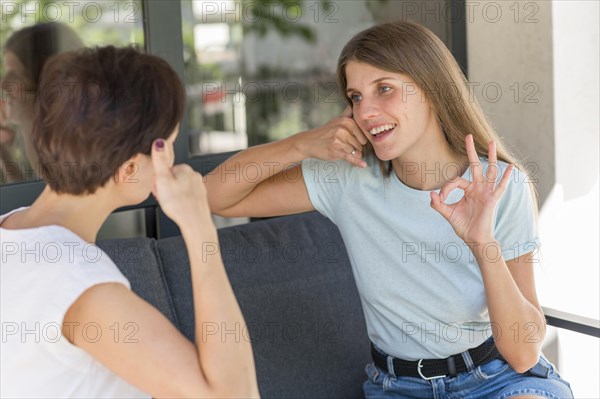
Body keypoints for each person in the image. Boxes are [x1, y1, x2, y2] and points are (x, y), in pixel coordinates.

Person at [205, 21, 573, 398]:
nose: (366, 111)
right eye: (356, 97)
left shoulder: (500, 187)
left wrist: (482, 242)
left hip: (497, 379)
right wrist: (300, 145)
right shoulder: (347, 178)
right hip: (399, 387)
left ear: (431, 88)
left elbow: (524, 352)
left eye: (384, 89)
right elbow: (216, 197)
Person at [0, 46, 259, 398]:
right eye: (165, 145)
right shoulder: (78, 285)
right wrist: (199, 226)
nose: (169, 160)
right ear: (131, 168)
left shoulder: (13, 235)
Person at [1, 22, 84, 183]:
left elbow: (58, 192)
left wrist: (27, 118)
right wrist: (5, 153)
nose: (3, 83)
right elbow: (31, 200)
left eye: (15, 73)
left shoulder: (77, 142)